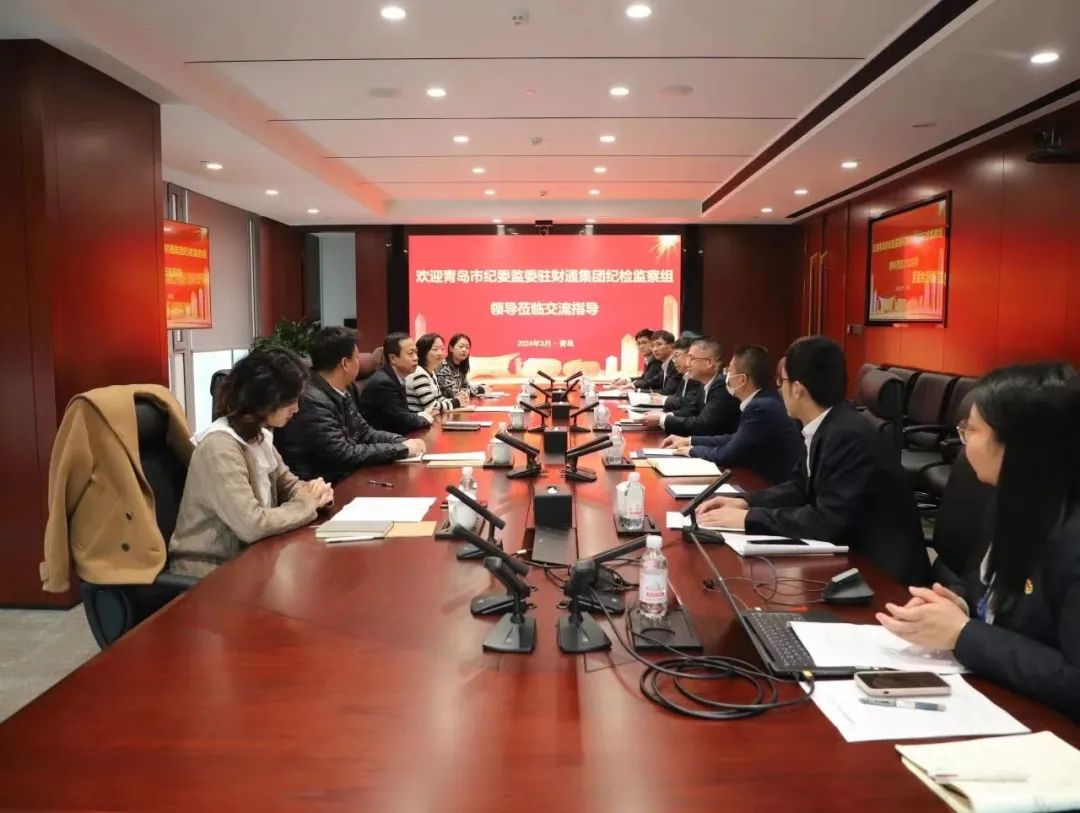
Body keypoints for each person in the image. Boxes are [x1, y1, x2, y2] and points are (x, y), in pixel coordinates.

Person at [877, 363, 1080, 722]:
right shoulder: (1010, 501)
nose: (962, 441)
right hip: (994, 696)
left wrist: (963, 633)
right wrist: (959, 604)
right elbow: (985, 591)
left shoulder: (1071, 538)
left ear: (1018, 444)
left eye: (971, 429)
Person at [695, 335, 929, 586]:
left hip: (884, 576)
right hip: (854, 553)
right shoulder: (828, 424)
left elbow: (826, 521)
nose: (779, 389)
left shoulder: (846, 435)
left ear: (797, 389)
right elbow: (799, 487)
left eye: (781, 381)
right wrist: (744, 502)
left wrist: (749, 518)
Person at [168, 348, 334, 578]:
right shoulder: (220, 447)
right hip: (210, 572)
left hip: (252, 558)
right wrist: (308, 504)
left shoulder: (259, 435)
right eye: (290, 400)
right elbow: (252, 525)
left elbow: (288, 484)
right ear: (264, 398)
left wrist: (315, 493)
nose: (296, 408)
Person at [275, 327, 426, 483]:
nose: (359, 363)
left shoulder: (345, 390)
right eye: (357, 358)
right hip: (322, 485)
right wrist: (402, 449)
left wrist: (402, 442)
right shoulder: (312, 401)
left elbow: (365, 433)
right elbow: (343, 454)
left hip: (345, 476)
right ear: (345, 363)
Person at [661, 345, 803, 485]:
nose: (725, 375)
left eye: (729, 370)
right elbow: (735, 438)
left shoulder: (761, 407)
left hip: (769, 485)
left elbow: (728, 454)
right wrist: (690, 440)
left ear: (741, 380)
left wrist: (692, 451)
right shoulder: (763, 400)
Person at [640, 337, 739, 437]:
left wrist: (662, 419)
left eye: (691, 358)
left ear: (709, 362)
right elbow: (692, 411)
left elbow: (704, 425)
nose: (688, 363)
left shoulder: (722, 385)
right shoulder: (705, 382)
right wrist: (662, 415)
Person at [359, 333, 437, 434]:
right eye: (410, 353)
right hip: (380, 439)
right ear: (393, 359)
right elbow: (403, 421)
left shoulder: (394, 377)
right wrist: (426, 418)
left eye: (416, 352)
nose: (416, 358)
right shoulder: (384, 383)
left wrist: (422, 414)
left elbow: (401, 414)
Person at [408, 333, 466, 413]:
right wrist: (456, 403)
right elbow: (431, 406)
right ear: (423, 352)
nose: (440, 353)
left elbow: (439, 398)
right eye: (435, 349)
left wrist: (459, 399)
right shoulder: (419, 373)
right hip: (418, 419)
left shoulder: (431, 372)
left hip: (430, 418)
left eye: (442, 349)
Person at [436, 333, 485, 399]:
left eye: (467, 347)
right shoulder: (443, 367)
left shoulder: (460, 367)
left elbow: (467, 386)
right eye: (461, 346)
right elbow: (455, 393)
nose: (464, 350)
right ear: (451, 348)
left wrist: (482, 386)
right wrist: (479, 389)